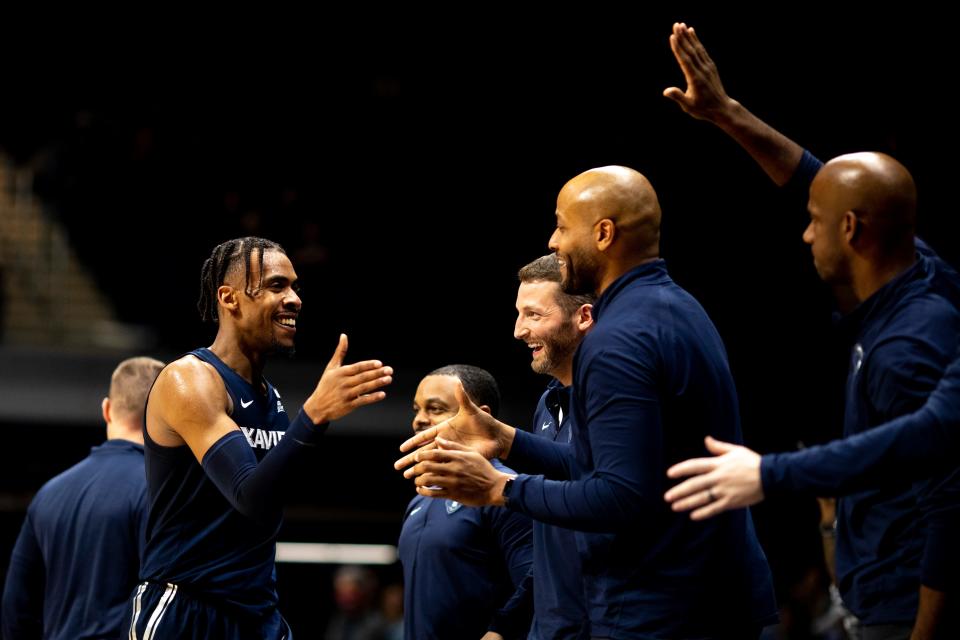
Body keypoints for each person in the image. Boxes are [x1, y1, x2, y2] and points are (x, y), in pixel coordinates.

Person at [661, 23, 960, 639]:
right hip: (875, 596)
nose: (805, 233)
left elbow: (950, 512)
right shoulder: (919, 265)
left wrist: (769, 475)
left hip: (903, 614)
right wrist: (728, 115)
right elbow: (819, 181)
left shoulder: (909, 345)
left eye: (814, 223)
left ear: (851, 231)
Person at [396, 167, 778, 639]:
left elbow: (621, 495)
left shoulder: (618, 339)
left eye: (561, 224)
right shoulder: (677, 307)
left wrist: (500, 489)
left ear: (603, 233)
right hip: (699, 593)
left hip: (662, 605)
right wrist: (509, 441)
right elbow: (619, 468)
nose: (554, 241)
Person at [128, 236, 392, 639]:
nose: (294, 299)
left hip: (255, 607)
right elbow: (251, 497)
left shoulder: (271, 397)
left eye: (294, 287)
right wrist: (314, 416)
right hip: (188, 608)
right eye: (276, 286)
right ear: (229, 298)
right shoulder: (191, 380)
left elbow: (275, 496)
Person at [2, 356, 165, 640]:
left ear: (107, 409)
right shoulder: (164, 493)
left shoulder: (48, 493)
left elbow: (16, 607)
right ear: (167, 415)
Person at [399, 364, 533, 640]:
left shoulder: (508, 490)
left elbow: (539, 584)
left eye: (435, 409)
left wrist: (499, 632)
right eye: (417, 409)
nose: (419, 420)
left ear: (480, 418)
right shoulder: (420, 498)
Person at [513, 254, 593, 639]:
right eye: (518, 314)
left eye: (533, 315)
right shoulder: (546, 405)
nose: (517, 330)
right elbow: (545, 541)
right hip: (548, 626)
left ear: (583, 318)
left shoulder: (615, 403)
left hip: (604, 621)